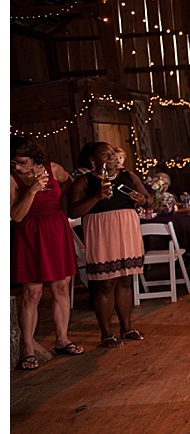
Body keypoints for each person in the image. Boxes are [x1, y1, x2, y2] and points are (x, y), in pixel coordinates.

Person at [68, 142, 150, 348]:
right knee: (105, 283)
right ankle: (106, 333)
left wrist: (142, 200)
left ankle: (127, 327)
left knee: (124, 280)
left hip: (126, 228)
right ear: (93, 160)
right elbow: (73, 212)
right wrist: (96, 196)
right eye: (105, 155)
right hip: (101, 230)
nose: (111, 157)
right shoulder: (84, 181)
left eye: (113, 153)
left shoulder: (129, 176)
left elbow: (149, 200)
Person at [11, 137, 83, 369]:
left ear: (34, 157)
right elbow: (16, 216)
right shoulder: (10, 179)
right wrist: (31, 190)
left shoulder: (53, 169)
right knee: (32, 293)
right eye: (13, 162)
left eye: (22, 162)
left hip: (55, 227)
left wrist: (56, 201)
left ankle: (62, 339)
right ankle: (28, 349)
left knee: (61, 287)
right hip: (30, 233)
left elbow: (70, 182)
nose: (17, 166)